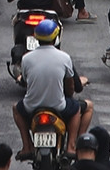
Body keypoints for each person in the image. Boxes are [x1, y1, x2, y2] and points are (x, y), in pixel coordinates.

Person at [13, 18, 89, 160]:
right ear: (56, 36)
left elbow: (25, 81)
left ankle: (26, 147)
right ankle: (71, 146)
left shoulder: (26, 58)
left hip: (31, 107)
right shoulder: (64, 57)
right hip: (58, 106)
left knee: (15, 108)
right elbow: (71, 86)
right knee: (82, 108)